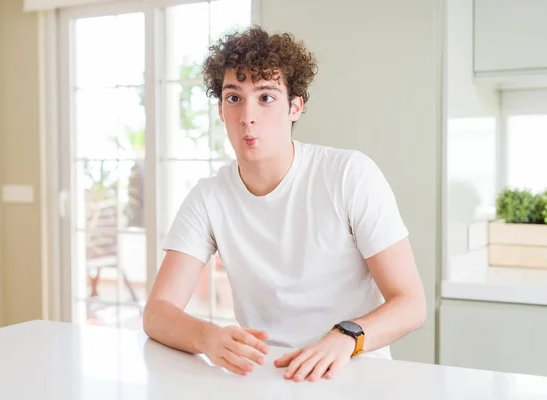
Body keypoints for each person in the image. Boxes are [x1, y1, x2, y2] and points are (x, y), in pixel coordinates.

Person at [143, 26, 426, 382]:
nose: (248, 115)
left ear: (295, 106)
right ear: (220, 109)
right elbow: (157, 312)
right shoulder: (209, 197)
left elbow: (411, 304)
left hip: (354, 371)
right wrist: (209, 337)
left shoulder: (349, 175)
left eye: (266, 98)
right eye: (234, 98)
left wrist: (345, 337)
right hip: (264, 376)